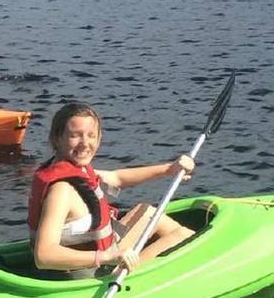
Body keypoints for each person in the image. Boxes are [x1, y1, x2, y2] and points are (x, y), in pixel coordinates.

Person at [28, 102, 196, 278]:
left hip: (102, 255)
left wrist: (169, 169)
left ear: (99, 138)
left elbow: (117, 178)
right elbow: (43, 255)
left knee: (148, 212)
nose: (85, 143)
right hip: (90, 273)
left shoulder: (75, 169)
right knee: (183, 235)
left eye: (91, 136)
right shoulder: (61, 191)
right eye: (75, 135)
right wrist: (107, 256)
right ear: (57, 138)